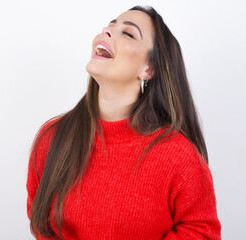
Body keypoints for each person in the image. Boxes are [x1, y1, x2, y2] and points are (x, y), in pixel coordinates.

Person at [26, 5, 221, 240]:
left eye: (128, 33)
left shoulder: (179, 156)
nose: (107, 31)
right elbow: (41, 224)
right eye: (110, 26)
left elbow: (201, 232)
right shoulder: (51, 138)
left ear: (148, 69)